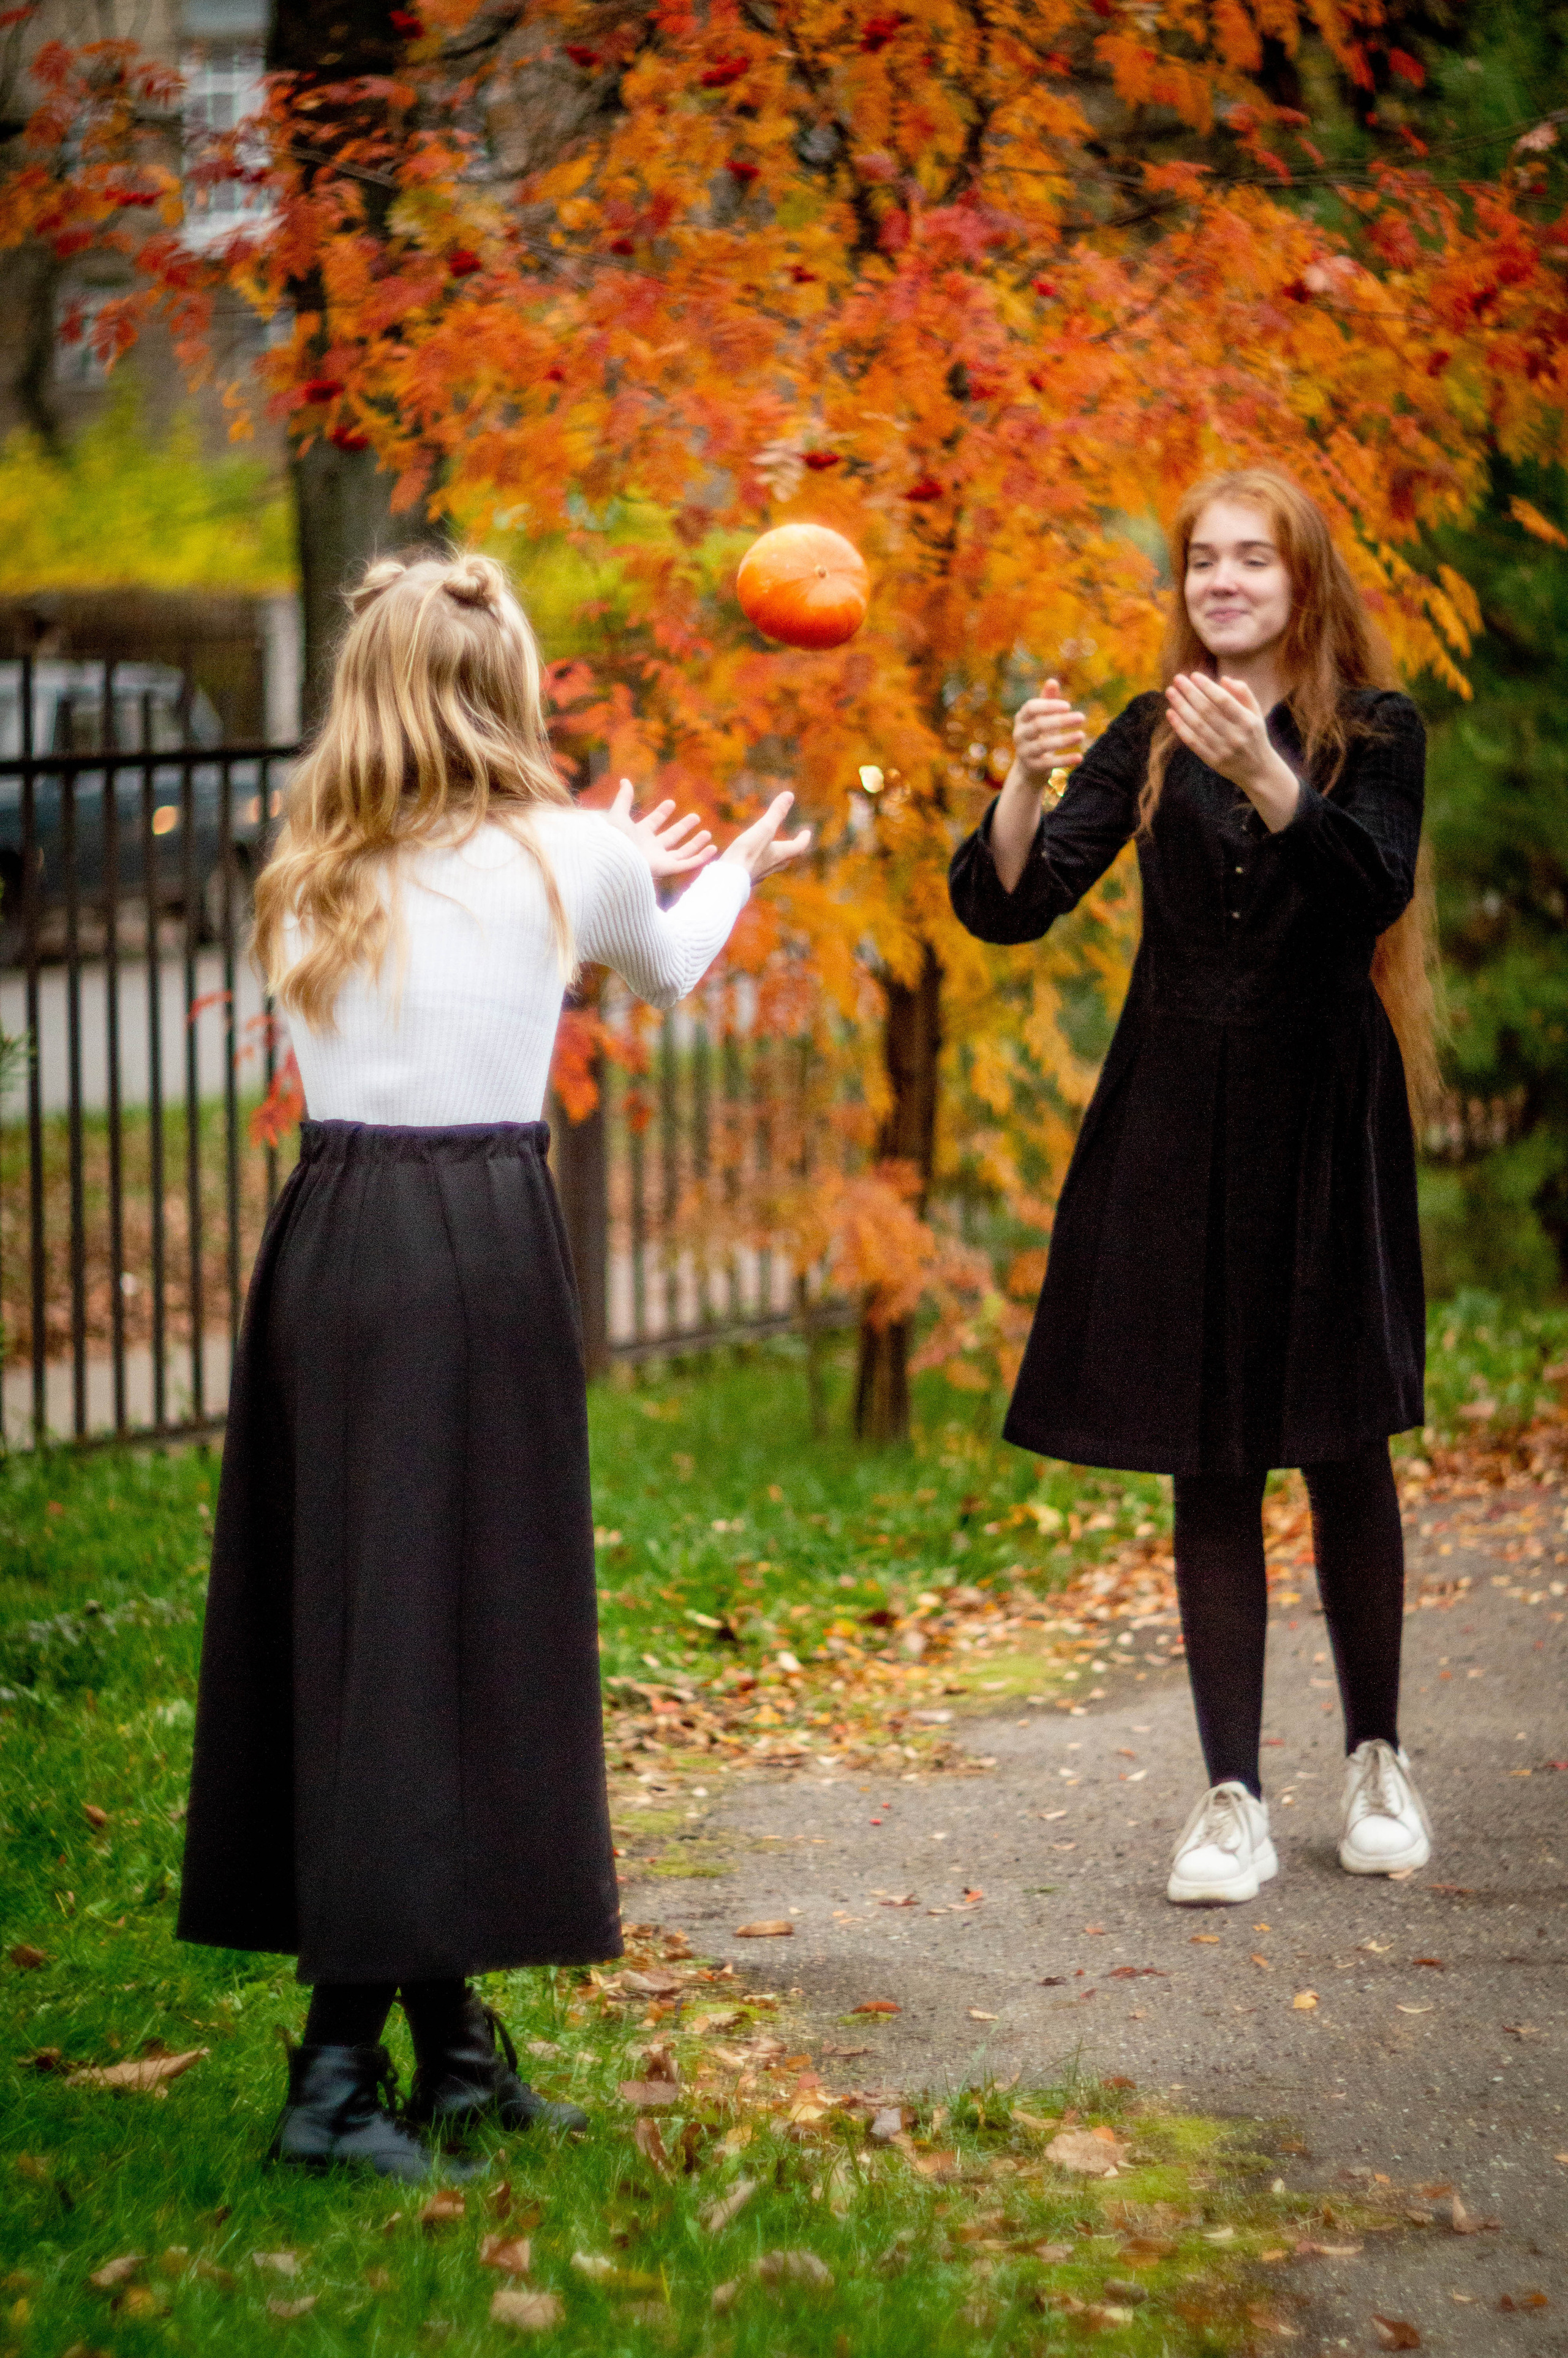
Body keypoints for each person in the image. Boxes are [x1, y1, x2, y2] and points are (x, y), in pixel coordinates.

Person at [176, 550, 809, 2177]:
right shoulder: (574, 851)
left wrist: (609, 869)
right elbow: (667, 961)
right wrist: (730, 866)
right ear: (506, 687)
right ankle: (331, 2085)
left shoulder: (304, 858)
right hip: (471, 1242)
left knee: (381, 1622)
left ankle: (450, 2050)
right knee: (440, 1632)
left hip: (329, 1240)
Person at [949, 466, 1437, 1907]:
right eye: (1202, 561)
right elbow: (1011, 907)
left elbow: (1374, 885)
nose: (1222, 581)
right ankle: (1228, 1795)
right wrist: (1028, 782)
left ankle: (1376, 1760)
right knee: (1208, 1450)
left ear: (1302, 582)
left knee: (1342, 1439)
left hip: (1318, 1117)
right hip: (1176, 1116)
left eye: (1252, 560)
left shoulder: (1373, 732)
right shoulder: (1147, 730)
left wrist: (1271, 776)